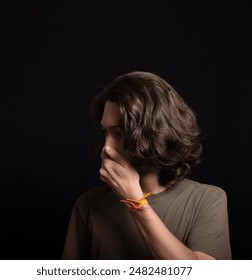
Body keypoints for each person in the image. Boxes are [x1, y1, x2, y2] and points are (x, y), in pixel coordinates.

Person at [62, 71, 231, 260]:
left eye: (119, 133)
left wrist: (135, 200)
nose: (106, 148)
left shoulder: (206, 200)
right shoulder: (89, 205)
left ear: (156, 133)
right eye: (105, 133)